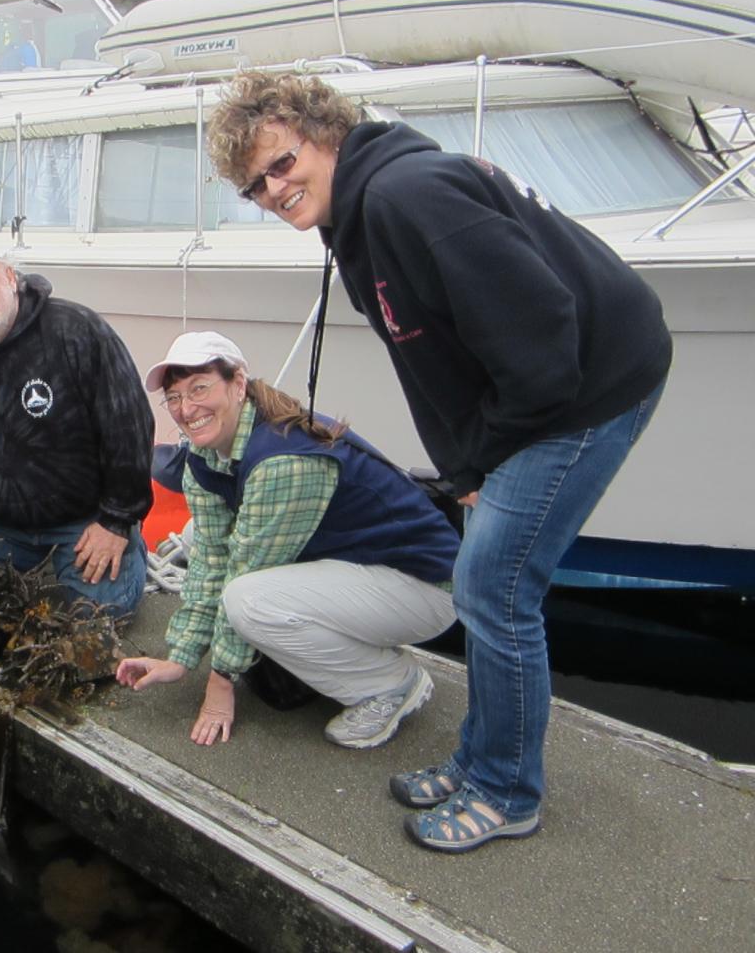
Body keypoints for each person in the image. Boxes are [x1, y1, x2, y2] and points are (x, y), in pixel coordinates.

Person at [206, 71, 670, 853]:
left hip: (590, 388)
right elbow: (436, 363)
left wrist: (484, 461)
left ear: (323, 132)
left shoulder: (405, 196)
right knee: (484, 581)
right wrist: (466, 473)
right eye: (254, 186)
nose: (273, 190)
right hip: (542, 392)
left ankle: (506, 791)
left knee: (496, 588)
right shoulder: (354, 221)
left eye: (281, 164)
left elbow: (544, 349)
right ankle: (480, 759)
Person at [115, 332, 458, 750]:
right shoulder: (206, 458)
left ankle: (389, 684)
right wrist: (180, 658)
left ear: (238, 383)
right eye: (174, 397)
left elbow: (245, 570)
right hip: (359, 574)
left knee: (249, 600)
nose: (186, 409)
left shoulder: (281, 460)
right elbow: (209, 560)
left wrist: (221, 683)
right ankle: (374, 667)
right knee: (243, 594)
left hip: (426, 586)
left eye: (200, 388)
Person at [0, 235, 154, 624]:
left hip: (85, 517)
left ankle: (128, 546)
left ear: (8, 274)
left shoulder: (76, 332)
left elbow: (129, 427)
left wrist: (117, 520)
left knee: (104, 611)